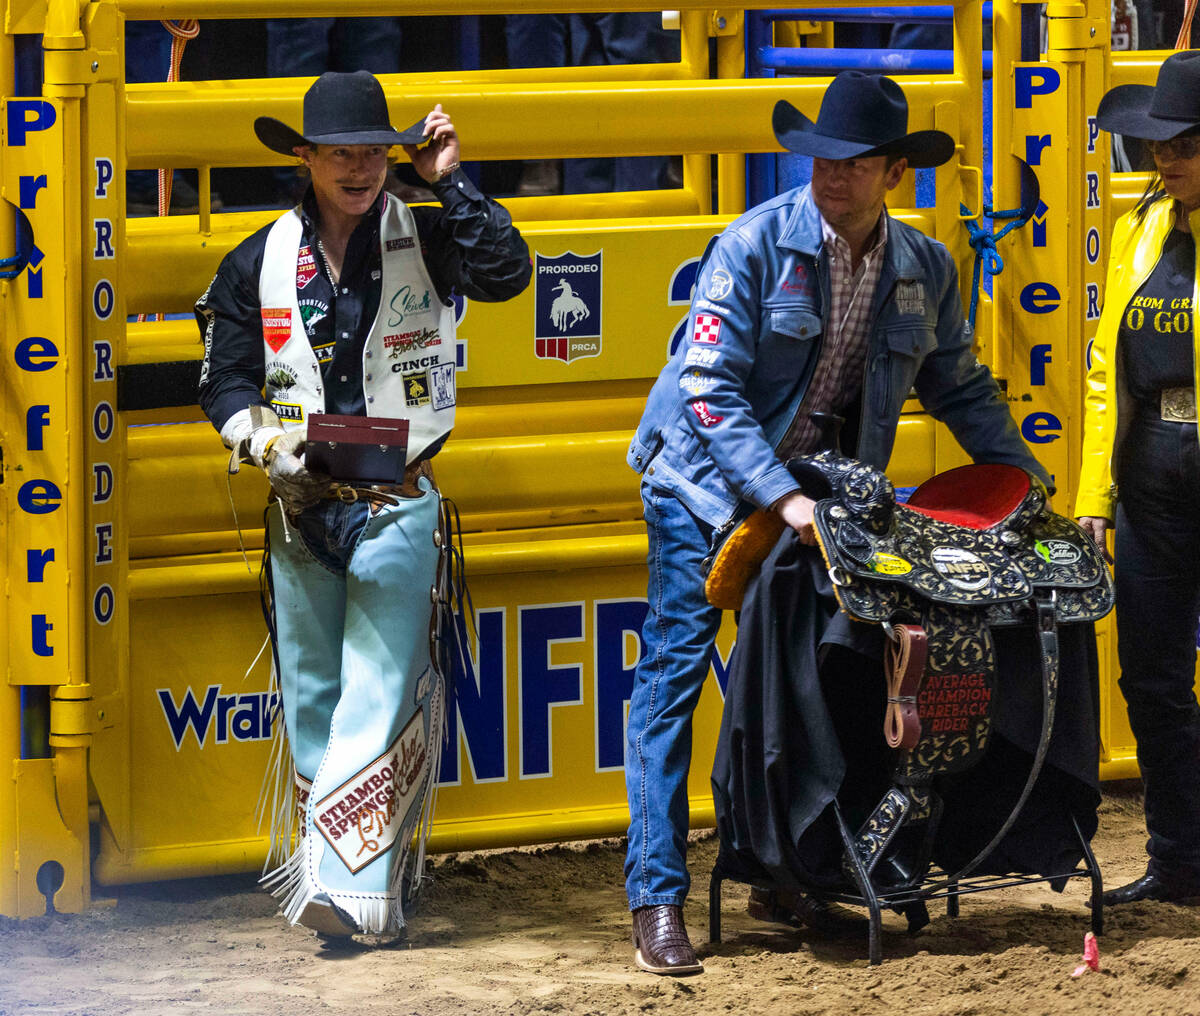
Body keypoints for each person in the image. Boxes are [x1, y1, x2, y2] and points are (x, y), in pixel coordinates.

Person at [623, 71, 1051, 975]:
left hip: (817, 505)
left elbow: (962, 389)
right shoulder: (751, 246)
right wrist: (786, 500)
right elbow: (708, 392)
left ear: (895, 172)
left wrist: (1030, 484)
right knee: (670, 676)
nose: (832, 177)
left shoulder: (925, 268)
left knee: (816, 682)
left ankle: (798, 868)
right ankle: (655, 896)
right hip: (702, 489)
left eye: (854, 164)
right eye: (821, 159)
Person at [196, 70, 531, 938]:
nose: (358, 168)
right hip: (301, 500)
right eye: (341, 153)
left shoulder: (430, 231)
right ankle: (338, 880)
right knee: (312, 691)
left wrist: (451, 179)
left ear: (395, 156)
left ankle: (347, 888)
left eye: (374, 153)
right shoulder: (256, 260)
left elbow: (508, 273)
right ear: (304, 157)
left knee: (378, 690)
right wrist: (264, 442)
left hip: (397, 499)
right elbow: (224, 379)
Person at [1077, 50, 1200, 908]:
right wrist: (1093, 496)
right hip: (1151, 465)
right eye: (1158, 144)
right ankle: (1181, 859)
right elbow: (1100, 372)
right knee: (1150, 674)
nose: (1165, 158)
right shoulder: (1137, 228)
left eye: (1184, 142)